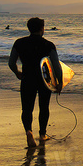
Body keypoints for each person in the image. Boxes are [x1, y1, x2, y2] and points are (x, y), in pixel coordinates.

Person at [8, 17, 63, 148]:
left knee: (27, 109)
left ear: (29, 28)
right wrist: (60, 82)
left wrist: (17, 72)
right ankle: (43, 135)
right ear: (42, 29)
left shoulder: (19, 43)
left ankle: (28, 131)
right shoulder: (48, 45)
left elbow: (11, 62)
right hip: (45, 80)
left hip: (27, 79)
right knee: (44, 107)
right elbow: (56, 65)